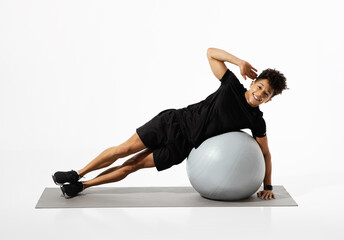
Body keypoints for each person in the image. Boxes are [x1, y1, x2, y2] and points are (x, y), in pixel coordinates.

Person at [52, 47, 288, 200]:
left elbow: (265, 153)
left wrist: (268, 186)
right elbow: (210, 53)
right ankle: (77, 172)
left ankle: (82, 186)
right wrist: (239, 62)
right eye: (260, 86)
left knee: (132, 165)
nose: (260, 93)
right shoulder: (231, 86)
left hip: (182, 147)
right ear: (253, 82)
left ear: (269, 100)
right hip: (172, 122)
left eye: (266, 94)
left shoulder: (256, 120)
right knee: (123, 149)